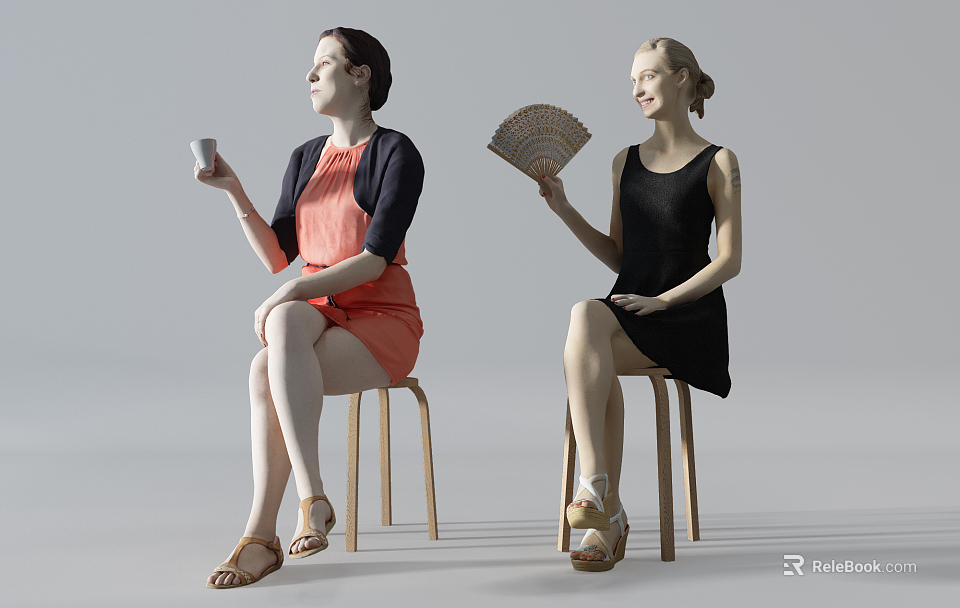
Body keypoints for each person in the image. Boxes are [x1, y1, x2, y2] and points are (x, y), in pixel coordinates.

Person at [194, 27, 425, 588]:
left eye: (324, 63)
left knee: (264, 362)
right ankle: (311, 500)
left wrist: (292, 290)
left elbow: (373, 261)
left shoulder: (396, 152)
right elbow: (281, 257)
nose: (311, 74)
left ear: (360, 74)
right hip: (316, 312)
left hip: (380, 318)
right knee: (282, 324)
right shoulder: (305, 158)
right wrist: (234, 191)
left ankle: (261, 535)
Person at [537, 37, 741, 572]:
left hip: (687, 317)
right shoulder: (623, 161)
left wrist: (663, 300)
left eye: (647, 77)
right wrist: (563, 208)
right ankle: (601, 495)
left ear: (680, 78)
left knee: (589, 340)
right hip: (632, 308)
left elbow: (729, 261)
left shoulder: (718, 161)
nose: (636, 89)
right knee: (587, 316)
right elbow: (619, 255)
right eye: (632, 80)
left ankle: (602, 509)